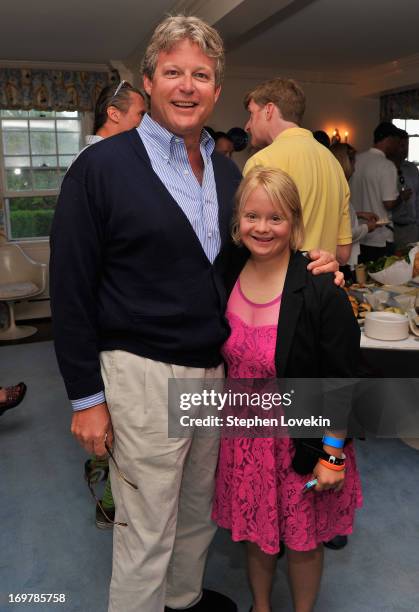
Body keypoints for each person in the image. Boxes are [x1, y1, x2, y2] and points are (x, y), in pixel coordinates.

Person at [50, 15, 341, 612]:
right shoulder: (101, 168)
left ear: (217, 89)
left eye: (201, 75)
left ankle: (181, 601)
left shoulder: (229, 171)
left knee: (195, 511)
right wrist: (85, 396)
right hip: (142, 373)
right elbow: (70, 288)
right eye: (174, 72)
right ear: (150, 81)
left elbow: (252, 250)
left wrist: (314, 265)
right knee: (146, 525)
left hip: (215, 372)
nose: (187, 86)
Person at [212, 167, 362, 612]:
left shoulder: (320, 287)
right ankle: (261, 607)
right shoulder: (226, 272)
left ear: (294, 224)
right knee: (256, 536)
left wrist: (332, 454)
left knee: (303, 541)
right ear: (238, 220)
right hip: (242, 440)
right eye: (252, 216)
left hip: (301, 440)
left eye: (275, 218)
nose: (262, 228)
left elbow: (343, 379)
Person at [74, 81, 147, 530]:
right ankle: (109, 499)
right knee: (115, 428)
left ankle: (104, 477)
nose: (147, 127)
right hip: (107, 326)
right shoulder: (95, 166)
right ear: (115, 115)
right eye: (141, 115)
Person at [243, 78, 352, 265]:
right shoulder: (334, 163)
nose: (247, 125)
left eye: (251, 115)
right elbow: (342, 253)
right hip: (321, 282)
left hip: (278, 283)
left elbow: (250, 243)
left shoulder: (262, 162)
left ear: (268, 110)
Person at [350, 122, 401, 262]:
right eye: (397, 142)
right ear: (389, 140)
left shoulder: (356, 159)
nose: (398, 147)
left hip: (357, 233)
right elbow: (389, 203)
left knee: (360, 281)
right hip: (380, 236)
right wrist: (401, 197)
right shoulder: (387, 165)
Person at [331, 143, 377, 274]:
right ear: (345, 162)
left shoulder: (336, 185)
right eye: (353, 163)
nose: (355, 168)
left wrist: (360, 214)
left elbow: (340, 217)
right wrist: (367, 227)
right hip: (341, 260)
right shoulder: (338, 189)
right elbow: (345, 234)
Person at [387, 129, 419, 249]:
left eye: (407, 145)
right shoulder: (384, 169)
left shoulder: (412, 169)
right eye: (401, 145)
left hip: (413, 228)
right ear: (393, 145)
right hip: (393, 229)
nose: (405, 149)